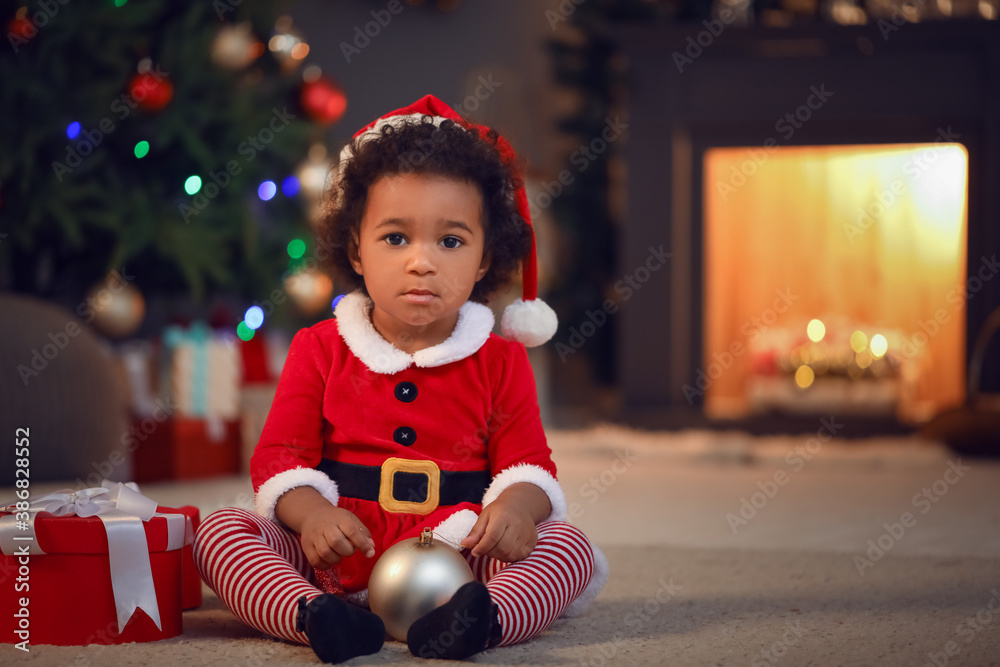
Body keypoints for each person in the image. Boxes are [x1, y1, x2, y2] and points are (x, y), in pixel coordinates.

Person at [194, 94, 608, 664]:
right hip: (332, 559)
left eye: (451, 241)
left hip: (457, 559)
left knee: (567, 546)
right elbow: (281, 459)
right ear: (356, 250)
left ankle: (484, 620)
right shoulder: (319, 347)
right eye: (395, 238)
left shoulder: (500, 360)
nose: (422, 262)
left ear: (485, 260)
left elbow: (530, 466)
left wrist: (515, 508)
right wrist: (312, 517)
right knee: (222, 531)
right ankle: (312, 617)